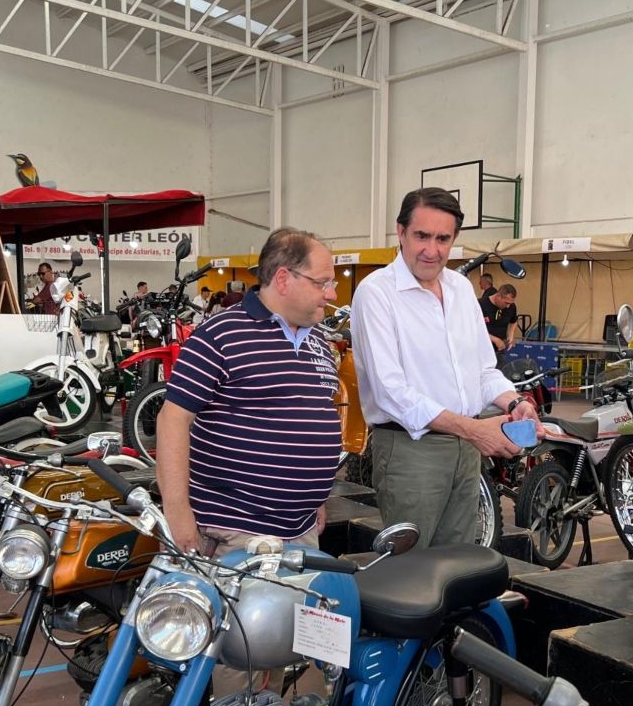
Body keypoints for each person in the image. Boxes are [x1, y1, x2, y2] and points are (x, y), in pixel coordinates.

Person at [352, 188, 535, 547]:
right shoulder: (376, 293)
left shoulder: (460, 290)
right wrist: (475, 430)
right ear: (400, 231)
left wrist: (514, 403)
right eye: (421, 235)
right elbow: (392, 392)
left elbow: (483, 369)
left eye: (442, 238)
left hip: (465, 451)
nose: (431, 250)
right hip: (411, 451)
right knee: (411, 571)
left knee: (458, 561)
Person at [156, 227, 340, 556]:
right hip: (235, 533)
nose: (332, 294)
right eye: (322, 283)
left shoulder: (318, 344)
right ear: (284, 279)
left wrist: (315, 497)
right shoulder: (220, 335)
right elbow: (173, 419)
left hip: (301, 530)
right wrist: (177, 510)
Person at [482, 283, 519, 355]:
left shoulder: (511, 307)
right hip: (482, 350)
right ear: (498, 296)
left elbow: (513, 322)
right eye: (506, 303)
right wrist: (494, 339)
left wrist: (511, 335)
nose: (508, 306)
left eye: (510, 303)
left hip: (500, 351)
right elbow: (474, 329)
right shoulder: (481, 305)